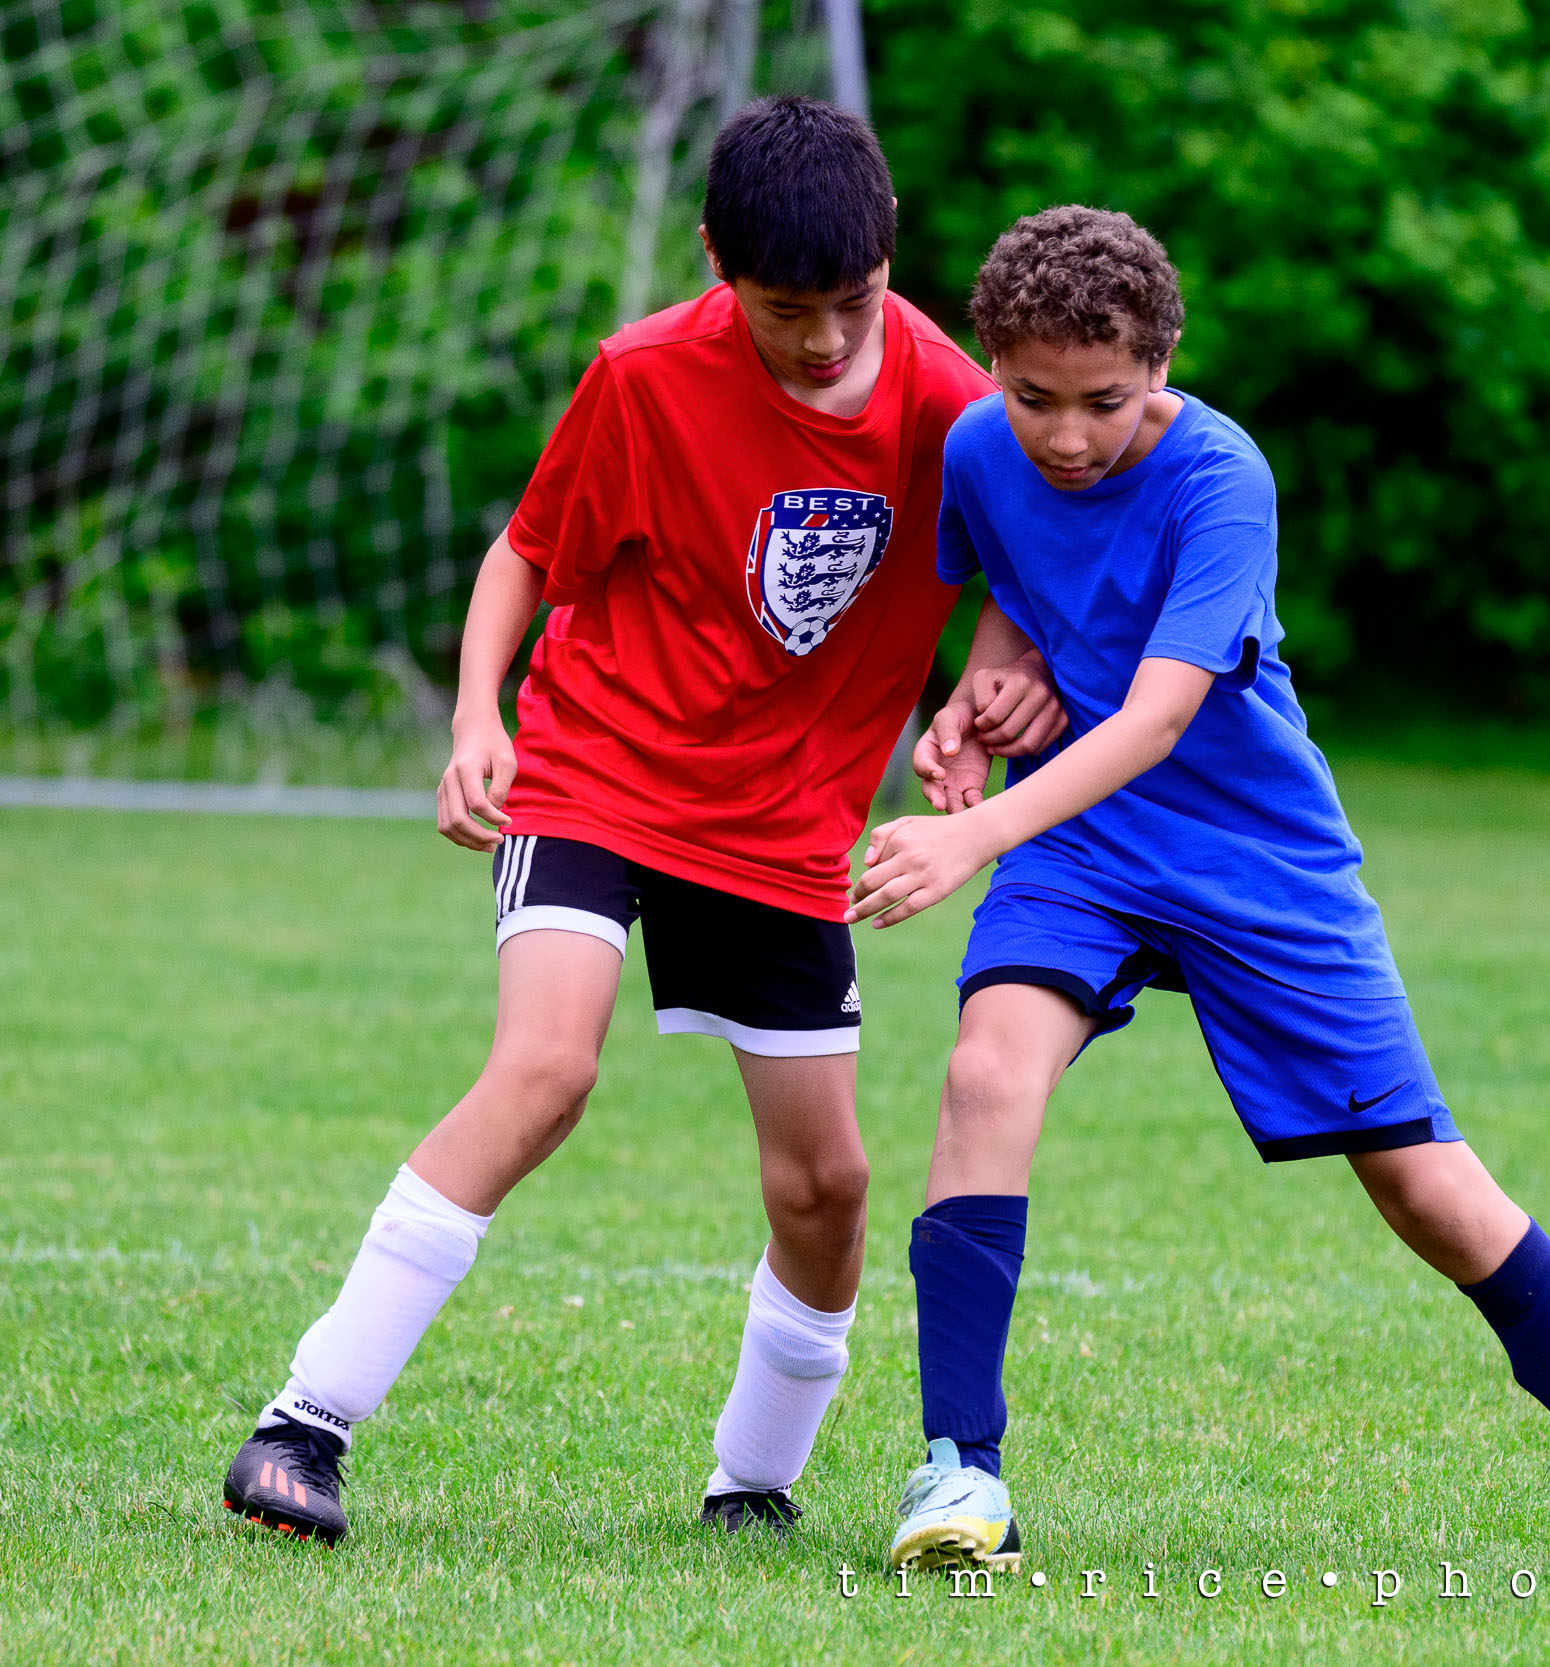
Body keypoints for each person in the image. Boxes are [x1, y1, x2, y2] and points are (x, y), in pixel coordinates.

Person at [218, 97, 1065, 1545]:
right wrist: (477, 718)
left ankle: (753, 1485)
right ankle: (303, 1426)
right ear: (716, 261)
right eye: (784, 310)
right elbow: (525, 552)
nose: (823, 340)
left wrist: (986, 687)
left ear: (891, 251)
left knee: (828, 1188)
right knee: (546, 1072)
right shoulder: (645, 375)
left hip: (784, 824)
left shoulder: (956, 406)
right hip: (599, 769)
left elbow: (1031, 576)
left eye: (852, 301)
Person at [849, 206, 1550, 1573]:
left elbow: (1159, 715)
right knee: (985, 1076)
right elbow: (1015, 597)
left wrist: (971, 836)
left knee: (1427, 1192)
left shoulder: (1223, 477)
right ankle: (959, 1476)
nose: (1065, 435)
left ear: (1161, 367)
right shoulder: (979, 450)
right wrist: (976, 703)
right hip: (1081, 845)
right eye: (1034, 396)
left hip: (1254, 856)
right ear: (993, 367)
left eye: (1104, 402)